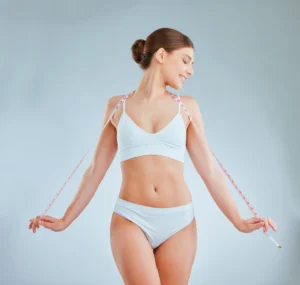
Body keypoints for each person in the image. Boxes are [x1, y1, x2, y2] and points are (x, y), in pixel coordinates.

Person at [29, 27, 277, 285]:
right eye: (185, 60)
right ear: (161, 55)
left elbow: (210, 170)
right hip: (130, 218)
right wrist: (64, 220)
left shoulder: (187, 107)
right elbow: (94, 170)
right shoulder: (117, 106)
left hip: (179, 221)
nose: (190, 70)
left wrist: (238, 221)